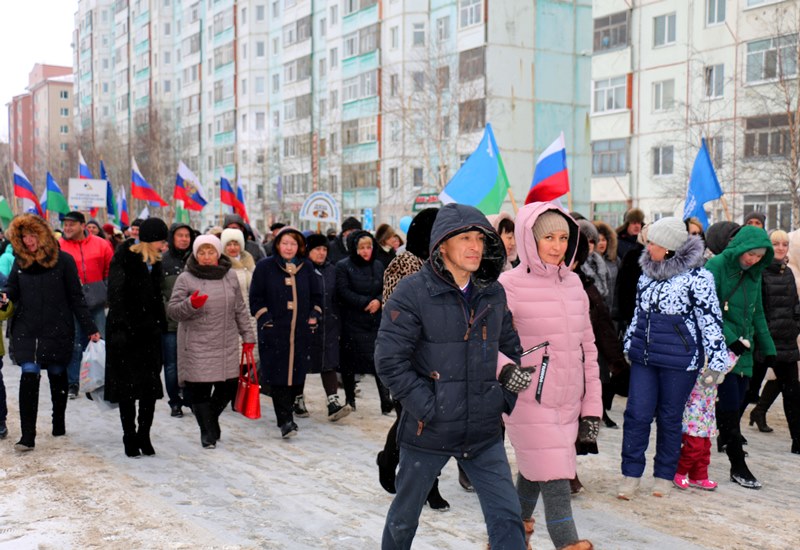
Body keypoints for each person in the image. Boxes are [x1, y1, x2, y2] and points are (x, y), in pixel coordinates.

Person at [375, 203, 529, 549]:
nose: (475, 246)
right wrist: (429, 406)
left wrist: (503, 395)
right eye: (464, 238)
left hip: (483, 429)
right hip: (428, 429)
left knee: (507, 516)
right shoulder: (413, 292)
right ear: (441, 245)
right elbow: (388, 360)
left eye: (480, 238)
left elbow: (511, 349)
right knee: (404, 518)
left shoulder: (493, 291)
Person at [498, 203, 598, 549]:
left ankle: (506, 540)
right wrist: (507, 372)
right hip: (529, 400)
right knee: (555, 476)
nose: (557, 246)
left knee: (533, 472)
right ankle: (567, 544)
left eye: (563, 237)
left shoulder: (573, 284)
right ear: (530, 239)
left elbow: (588, 350)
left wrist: (592, 409)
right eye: (548, 238)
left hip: (568, 402)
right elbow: (485, 342)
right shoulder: (508, 284)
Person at [619, 217, 729, 499]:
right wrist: (630, 342)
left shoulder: (698, 278)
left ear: (668, 247)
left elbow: (710, 321)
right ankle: (631, 475)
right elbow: (638, 314)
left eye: (653, 242)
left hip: (680, 362)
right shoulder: (646, 274)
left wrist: (718, 363)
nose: (648, 246)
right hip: (645, 358)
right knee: (636, 415)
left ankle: (663, 477)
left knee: (669, 418)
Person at [3, 214, 100, 451]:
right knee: (29, 373)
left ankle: (58, 420)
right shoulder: (20, 262)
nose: (28, 241)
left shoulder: (64, 261)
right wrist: (4, 295)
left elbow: (76, 298)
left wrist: (90, 329)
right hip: (27, 327)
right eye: (23, 236)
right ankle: (28, 436)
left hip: (57, 326)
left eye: (32, 235)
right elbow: (12, 290)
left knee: (57, 373)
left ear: (43, 235)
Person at [374, 208, 450, 511]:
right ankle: (427, 484)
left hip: (441, 359)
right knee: (416, 419)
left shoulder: (445, 267)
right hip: (408, 359)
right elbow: (396, 314)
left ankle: (391, 458)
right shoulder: (404, 265)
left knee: (424, 421)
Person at [168, 235, 255, 449]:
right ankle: (207, 432)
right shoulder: (186, 278)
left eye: (211, 252)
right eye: (202, 253)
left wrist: (248, 336)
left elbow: (240, 309)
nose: (206, 257)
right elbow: (173, 311)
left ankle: (210, 419)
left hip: (225, 342)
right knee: (200, 390)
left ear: (218, 253)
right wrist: (191, 304)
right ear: (196, 255)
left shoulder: (230, 276)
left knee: (228, 387)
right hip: (197, 343)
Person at [705, 225, 776, 488]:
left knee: (741, 400)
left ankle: (719, 440)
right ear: (740, 248)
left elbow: (757, 313)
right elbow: (708, 309)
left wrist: (768, 348)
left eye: (759, 256)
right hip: (720, 349)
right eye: (750, 254)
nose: (753, 260)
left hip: (744, 352)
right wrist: (730, 338)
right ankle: (738, 464)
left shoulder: (755, 274)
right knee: (730, 407)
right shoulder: (716, 266)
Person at [104, 218, 169, 458]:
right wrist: (122, 329)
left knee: (149, 389)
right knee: (127, 390)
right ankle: (129, 435)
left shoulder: (156, 262)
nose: (165, 246)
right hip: (126, 335)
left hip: (149, 335)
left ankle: (144, 434)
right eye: (162, 241)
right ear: (152, 240)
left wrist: (159, 324)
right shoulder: (124, 257)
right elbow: (116, 295)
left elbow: (156, 299)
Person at [250, 227, 321, 438]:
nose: (288, 248)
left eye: (293, 244)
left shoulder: (306, 267)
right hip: (275, 332)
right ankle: (285, 420)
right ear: (277, 245)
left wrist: (313, 315)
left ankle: (288, 412)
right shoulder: (265, 267)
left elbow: (317, 296)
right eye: (285, 243)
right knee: (278, 375)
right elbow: (256, 297)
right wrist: (265, 318)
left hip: (300, 332)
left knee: (296, 376)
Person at [747, 230, 800, 454]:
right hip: (764, 343)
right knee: (748, 391)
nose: (781, 248)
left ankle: (797, 440)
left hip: (787, 342)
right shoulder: (758, 273)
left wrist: (795, 326)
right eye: (776, 244)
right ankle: (728, 435)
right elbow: (755, 308)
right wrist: (762, 335)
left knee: (792, 394)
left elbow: (795, 306)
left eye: (784, 244)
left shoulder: (788, 272)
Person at [59, 210, 114, 398]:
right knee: (73, 342)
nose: (67, 228)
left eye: (71, 224)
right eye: (65, 224)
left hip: (96, 302)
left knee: (99, 341)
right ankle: (73, 382)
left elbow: (110, 270)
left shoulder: (101, 245)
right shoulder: (59, 246)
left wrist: (105, 290)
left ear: (83, 226)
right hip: (69, 302)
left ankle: (99, 380)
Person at [335, 229, 390, 413]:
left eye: (369, 247)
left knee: (379, 362)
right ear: (354, 249)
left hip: (374, 322)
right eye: (361, 248)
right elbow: (343, 291)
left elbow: (386, 287)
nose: (366, 251)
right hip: (352, 322)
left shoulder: (378, 265)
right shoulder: (343, 266)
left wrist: (378, 301)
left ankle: (385, 401)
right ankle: (350, 399)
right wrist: (365, 302)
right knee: (350, 363)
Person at [305, 232, 352, 421]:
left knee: (329, 362)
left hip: (330, 323)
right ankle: (297, 399)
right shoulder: (303, 269)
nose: (321, 253)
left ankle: (333, 401)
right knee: (303, 363)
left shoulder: (332, 270)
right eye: (317, 249)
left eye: (324, 249)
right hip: (307, 323)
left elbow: (338, 297)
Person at [160, 222, 196, 417]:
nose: (184, 239)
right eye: (180, 235)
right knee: (172, 364)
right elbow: (157, 292)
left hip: (194, 322)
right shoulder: (163, 261)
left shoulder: (197, 260)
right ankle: (175, 400)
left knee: (192, 362)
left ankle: (191, 397)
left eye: (187, 236)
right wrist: (168, 309)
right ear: (172, 237)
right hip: (171, 322)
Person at [221, 228, 258, 361]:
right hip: (231, 314)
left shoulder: (249, 262)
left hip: (251, 314)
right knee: (234, 356)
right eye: (229, 244)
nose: (232, 248)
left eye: (236, 244)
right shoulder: (222, 264)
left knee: (251, 355)